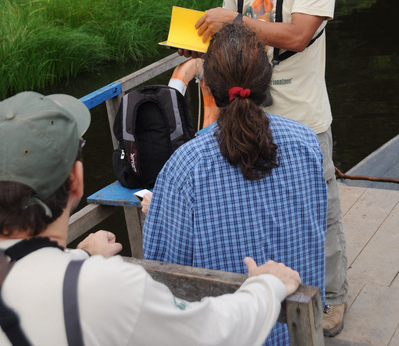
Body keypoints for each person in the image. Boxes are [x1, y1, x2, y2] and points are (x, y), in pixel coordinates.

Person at [180, 0, 348, 337]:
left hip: (303, 115)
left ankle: (333, 298)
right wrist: (201, 52)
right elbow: (233, 39)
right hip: (249, 114)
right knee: (257, 208)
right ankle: (269, 289)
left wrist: (231, 19)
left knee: (322, 212)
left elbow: (297, 35)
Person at [0, 90, 301, 346]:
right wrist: (267, 286)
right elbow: (212, 333)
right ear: (76, 181)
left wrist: (80, 255)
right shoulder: (108, 287)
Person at [143, 22, 327, 346]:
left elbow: (163, 277)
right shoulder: (306, 143)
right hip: (300, 331)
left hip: (231, 336)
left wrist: (158, 209)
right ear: (266, 80)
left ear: (209, 89)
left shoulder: (185, 167)